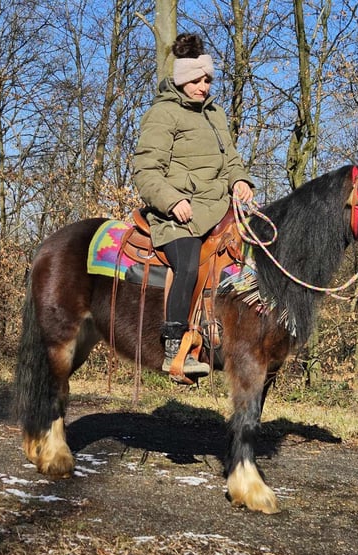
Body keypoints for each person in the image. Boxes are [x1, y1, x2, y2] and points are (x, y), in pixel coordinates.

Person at [133, 33, 255, 376]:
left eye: (207, 80)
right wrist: (173, 201)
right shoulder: (163, 114)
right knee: (186, 263)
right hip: (176, 216)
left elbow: (230, 159)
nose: (204, 86)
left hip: (218, 208)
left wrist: (240, 180)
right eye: (197, 80)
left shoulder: (215, 114)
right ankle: (175, 348)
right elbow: (146, 170)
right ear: (183, 80)